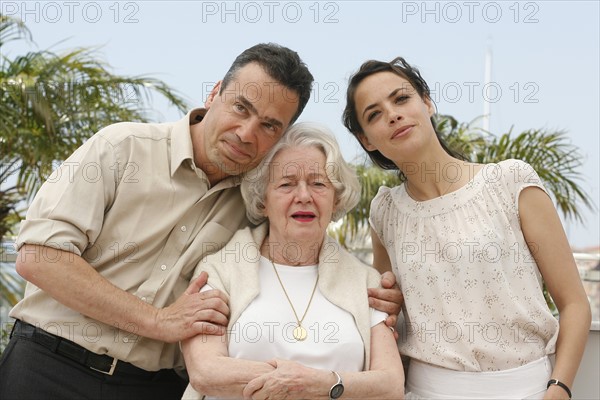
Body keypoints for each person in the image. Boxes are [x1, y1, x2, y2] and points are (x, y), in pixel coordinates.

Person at [342, 57, 592, 399]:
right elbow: (388, 317)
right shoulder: (385, 211)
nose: (393, 114)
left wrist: (559, 389)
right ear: (366, 139)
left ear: (427, 103)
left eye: (401, 98)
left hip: (529, 389)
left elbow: (574, 303)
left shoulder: (509, 182)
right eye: (374, 114)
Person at [180, 122, 405, 400]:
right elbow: (206, 372)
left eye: (318, 183)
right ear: (263, 200)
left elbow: (390, 384)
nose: (303, 196)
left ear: (336, 199)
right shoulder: (219, 271)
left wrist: (317, 383)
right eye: (286, 184)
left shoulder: (366, 282)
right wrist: (301, 382)